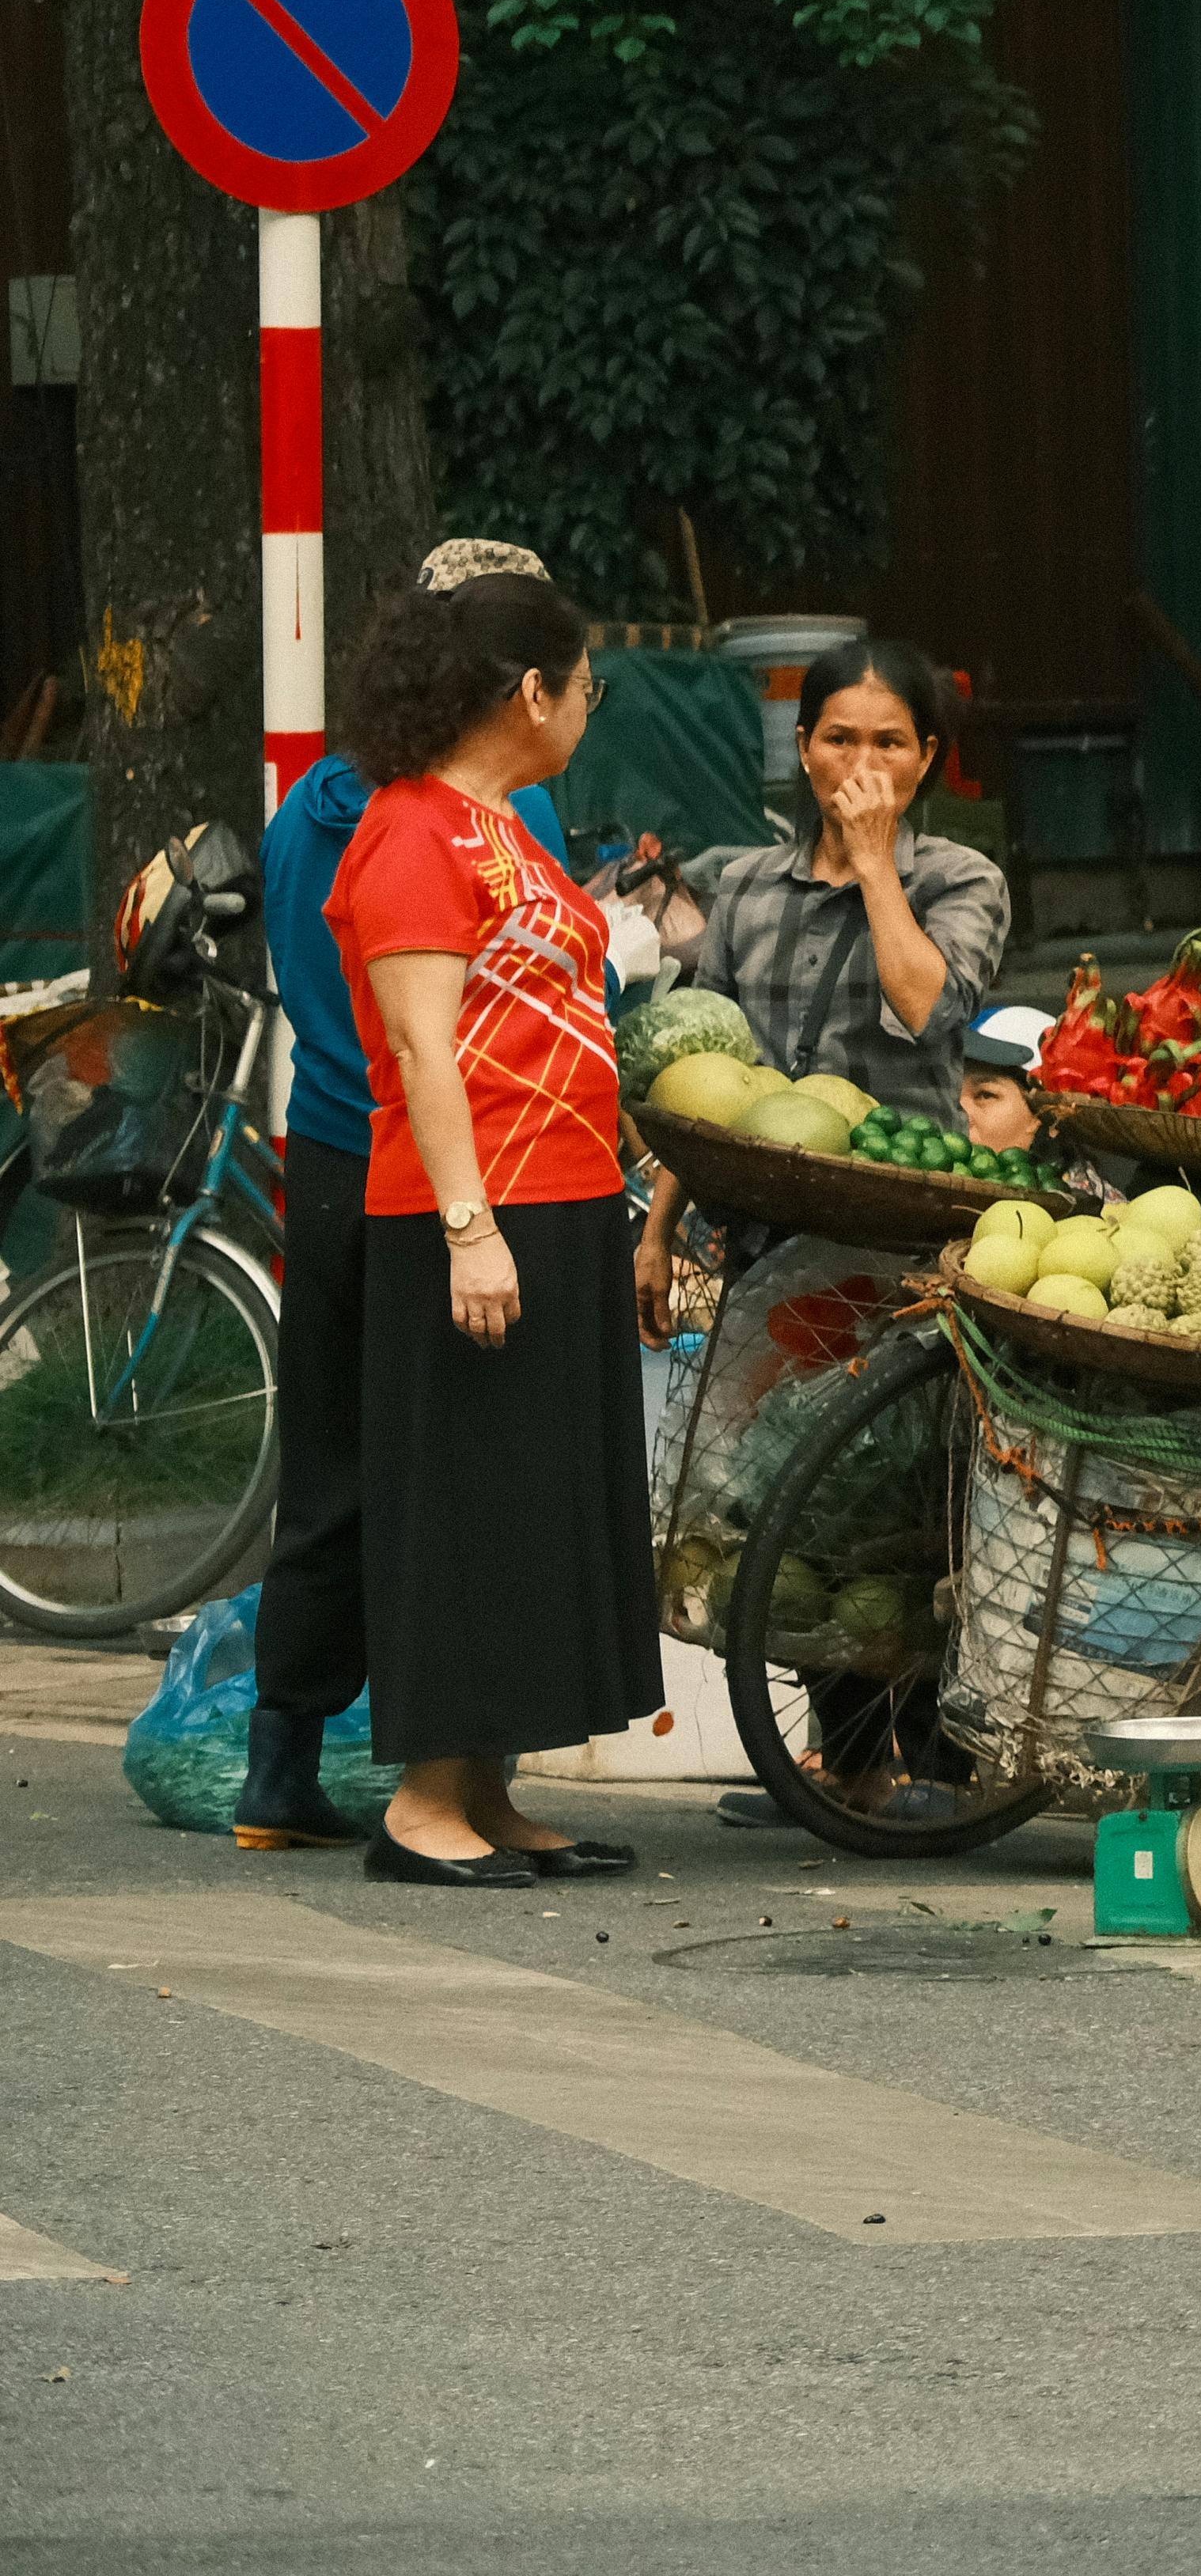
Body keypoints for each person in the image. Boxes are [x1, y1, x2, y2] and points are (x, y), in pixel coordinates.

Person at [232, 536, 591, 1851]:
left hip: (324, 1155)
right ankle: (441, 1770)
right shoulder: (484, 817)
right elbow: (460, 1024)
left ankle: (279, 1762)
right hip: (454, 1170)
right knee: (450, 1464)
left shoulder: (308, 811)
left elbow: (304, 979)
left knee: (327, 1463)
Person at [321, 559, 659, 1885]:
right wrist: (470, 1227)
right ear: (533, 689)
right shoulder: (410, 831)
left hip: (564, 1206)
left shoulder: (511, 825)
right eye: (586, 685)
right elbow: (420, 1048)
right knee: (466, 1504)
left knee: (537, 1503)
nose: (589, 707)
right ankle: (422, 1805)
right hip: (476, 1213)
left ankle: (493, 1786)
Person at [656, 636, 1009, 1118]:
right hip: (762, 1171)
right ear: (805, 747)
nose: (862, 765)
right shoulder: (745, 883)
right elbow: (706, 1064)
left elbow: (932, 1012)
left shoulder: (961, 880)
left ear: (924, 758)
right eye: (839, 740)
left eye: (889, 743)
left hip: (903, 1176)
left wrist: (874, 863)